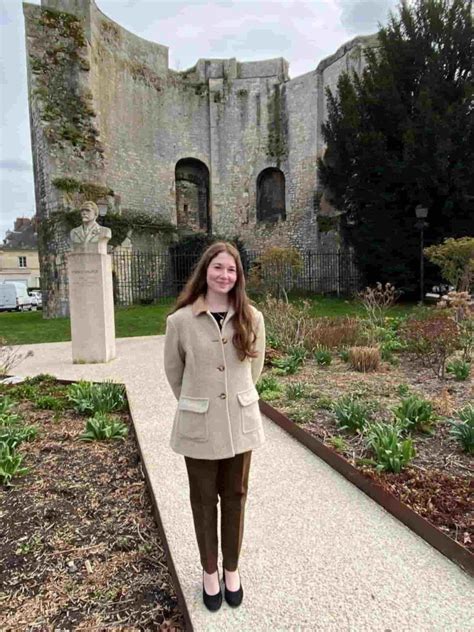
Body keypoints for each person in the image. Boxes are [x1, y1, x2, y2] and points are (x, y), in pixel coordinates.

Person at [163, 241, 266, 612]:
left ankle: (232, 569)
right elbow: (175, 374)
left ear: (238, 276)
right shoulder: (180, 321)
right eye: (218, 267)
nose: (225, 275)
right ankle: (209, 571)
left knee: (236, 497)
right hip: (199, 427)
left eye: (232, 270)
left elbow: (254, 371)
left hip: (240, 424)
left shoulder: (251, 317)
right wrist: (197, 404)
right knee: (204, 501)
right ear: (205, 270)